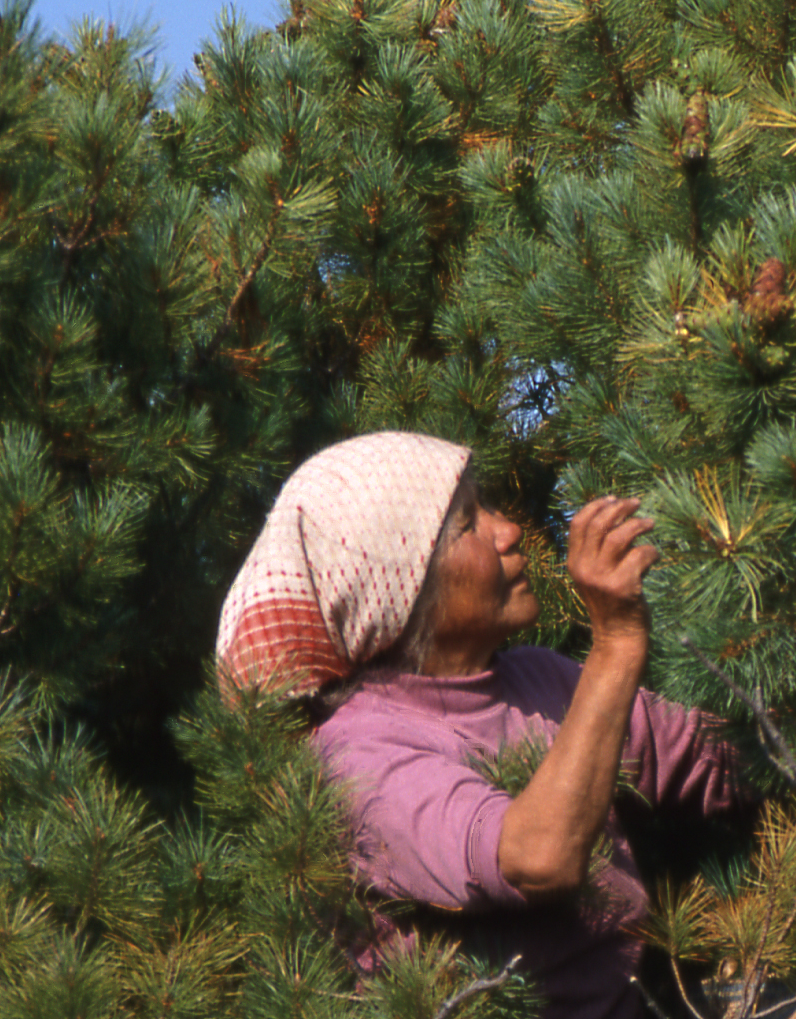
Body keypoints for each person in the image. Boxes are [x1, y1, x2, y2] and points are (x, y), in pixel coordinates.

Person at [215, 431, 745, 1019]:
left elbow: (718, 759)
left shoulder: (539, 679)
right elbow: (538, 859)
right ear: (405, 588)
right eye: (469, 524)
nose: (509, 530)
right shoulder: (356, 760)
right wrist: (616, 644)